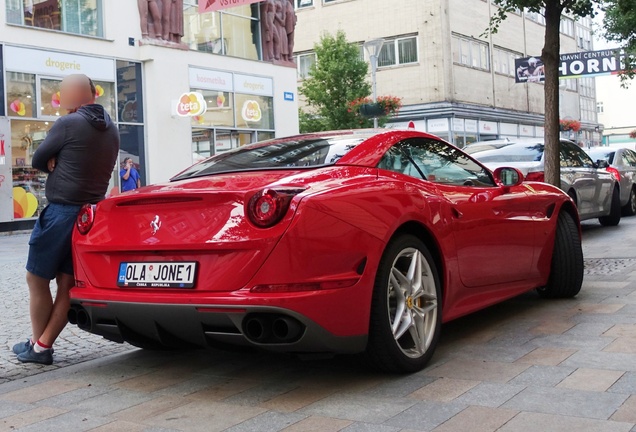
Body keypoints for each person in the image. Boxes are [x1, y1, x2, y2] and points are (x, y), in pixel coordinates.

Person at [12, 74, 119, 365]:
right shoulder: (112, 129)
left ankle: (38, 346)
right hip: (90, 216)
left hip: (61, 213)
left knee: (36, 277)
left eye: (63, 92)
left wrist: (53, 158)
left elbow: (37, 160)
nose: (59, 97)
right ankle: (42, 343)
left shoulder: (68, 124)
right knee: (67, 283)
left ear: (83, 94)